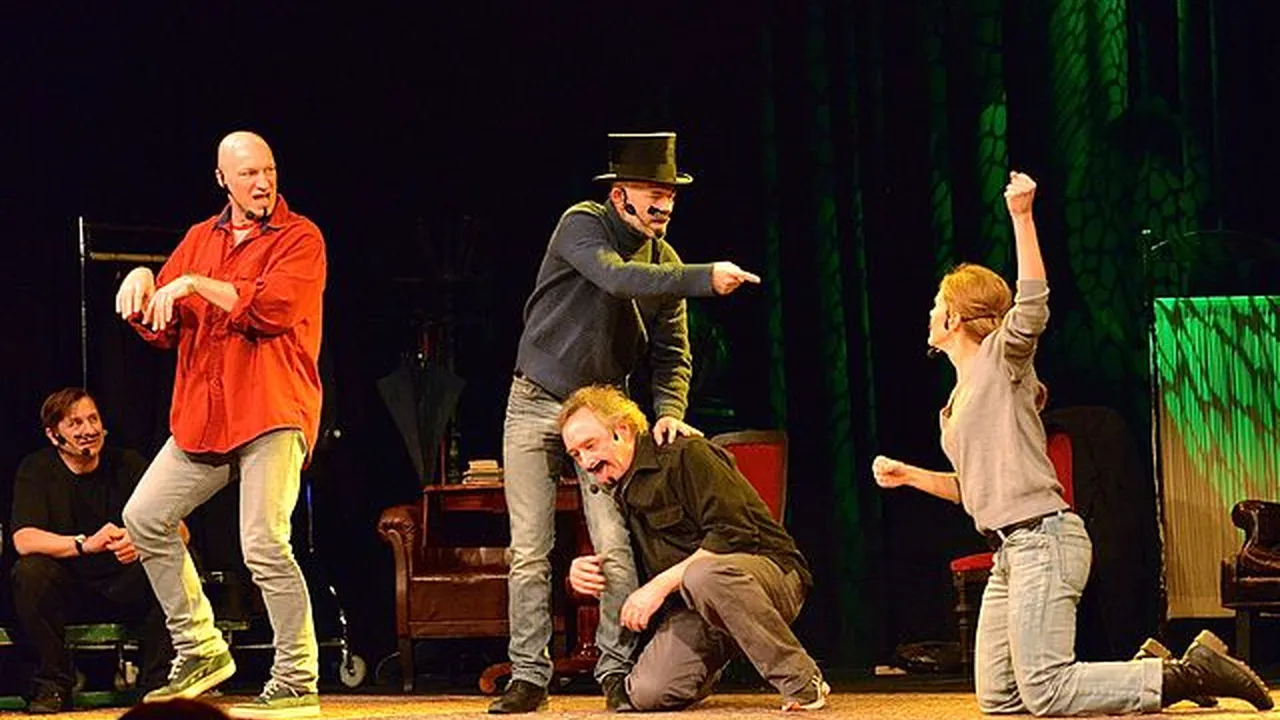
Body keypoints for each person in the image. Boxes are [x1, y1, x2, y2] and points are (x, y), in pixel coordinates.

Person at [872, 171, 1274, 715]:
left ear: (955, 316)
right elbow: (974, 490)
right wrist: (909, 476)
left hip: (1044, 541)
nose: (928, 313)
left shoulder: (1001, 360)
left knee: (1047, 689)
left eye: (935, 304)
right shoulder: (954, 405)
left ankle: (1188, 672)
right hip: (1009, 552)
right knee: (1000, 698)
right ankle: (1148, 670)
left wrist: (1022, 217)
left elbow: (1032, 303)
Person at [491, 132, 761, 714]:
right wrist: (705, 276)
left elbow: (672, 354)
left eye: (670, 195)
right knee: (530, 548)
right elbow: (615, 277)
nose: (664, 205)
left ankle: (615, 670)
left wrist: (669, 414)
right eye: (653, 194)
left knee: (615, 544)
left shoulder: (667, 264)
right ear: (620, 196)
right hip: (536, 401)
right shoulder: (581, 224)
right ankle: (529, 676)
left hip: (601, 414)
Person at [114, 131, 325, 719]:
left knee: (263, 542)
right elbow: (164, 324)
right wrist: (143, 282)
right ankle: (200, 647)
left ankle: (296, 679)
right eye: (249, 173)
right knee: (145, 517)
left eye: (269, 171)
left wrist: (193, 284)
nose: (262, 183)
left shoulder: (300, 237)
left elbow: (272, 309)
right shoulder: (199, 239)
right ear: (222, 179)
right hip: (205, 416)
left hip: (270, 409)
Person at [560, 385, 827, 712]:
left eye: (590, 445)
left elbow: (733, 534)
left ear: (623, 430)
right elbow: (624, 569)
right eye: (576, 455)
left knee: (703, 575)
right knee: (648, 692)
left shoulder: (685, 454)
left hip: (768, 578)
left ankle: (800, 680)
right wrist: (578, 575)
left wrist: (657, 587)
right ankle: (705, 664)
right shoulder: (613, 492)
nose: (586, 462)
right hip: (694, 605)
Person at [9, 388, 177, 714]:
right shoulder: (37, 469)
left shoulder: (128, 464)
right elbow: (24, 539)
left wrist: (141, 540)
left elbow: (180, 529)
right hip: (70, 588)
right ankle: (53, 685)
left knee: (176, 561)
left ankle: (158, 687)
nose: (89, 430)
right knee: (30, 572)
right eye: (75, 423)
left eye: (93, 419)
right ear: (54, 435)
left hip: (124, 583)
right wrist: (84, 544)